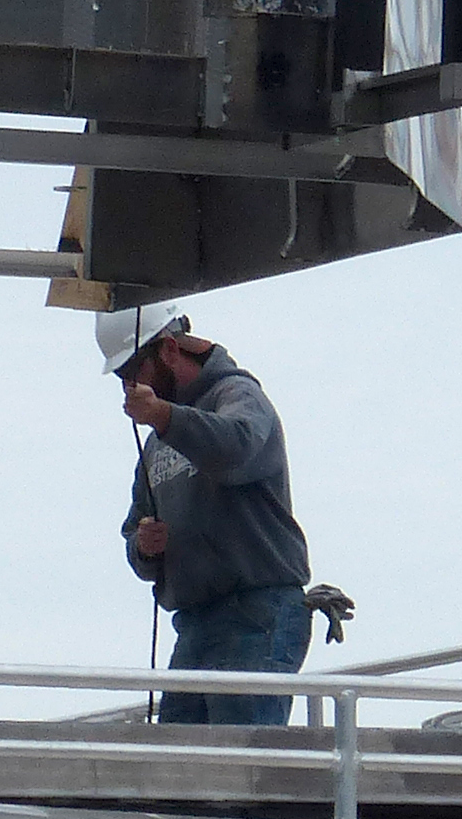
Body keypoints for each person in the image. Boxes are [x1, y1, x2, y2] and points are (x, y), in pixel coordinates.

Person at [107, 302, 312, 725]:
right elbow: (135, 528)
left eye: (132, 372)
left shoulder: (238, 396)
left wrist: (165, 416)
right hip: (197, 624)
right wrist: (144, 547)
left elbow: (236, 447)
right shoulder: (159, 442)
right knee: (183, 769)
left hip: (258, 612)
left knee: (240, 767)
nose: (128, 388)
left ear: (166, 350)